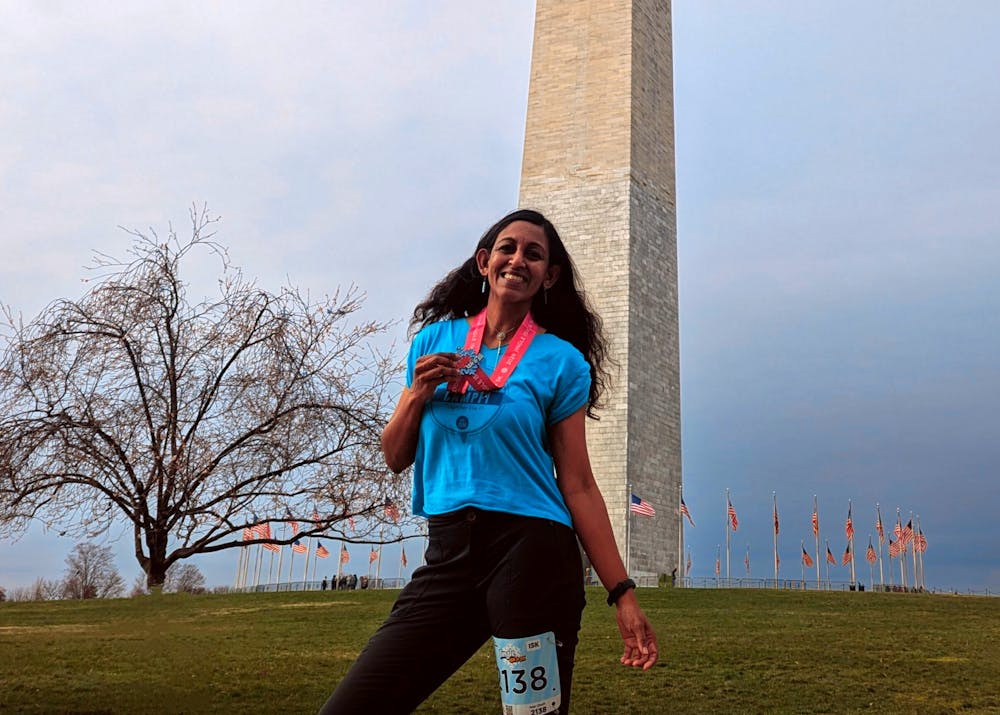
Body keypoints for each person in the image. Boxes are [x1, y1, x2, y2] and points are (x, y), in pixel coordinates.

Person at [319, 209, 658, 714]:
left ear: (550, 275)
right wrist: (416, 396)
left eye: (534, 254)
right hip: (449, 552)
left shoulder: (562, 361)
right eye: (507, 248)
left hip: (532, 556)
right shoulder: (432, 342)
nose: (518, 259)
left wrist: (622, 593)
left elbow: (580, 484)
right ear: (484, 261)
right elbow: (394, 456)